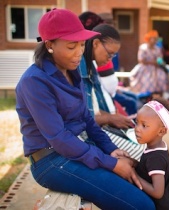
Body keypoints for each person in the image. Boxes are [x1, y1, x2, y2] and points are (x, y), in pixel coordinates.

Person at [15, 9, 155, 210]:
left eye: (81, 44)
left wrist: (111, 150)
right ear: (49, 45)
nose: (79, 52)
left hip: (78, 148)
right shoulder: (35, 82)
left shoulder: (72, 71)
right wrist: (111, 163)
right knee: (141, 205)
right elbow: (59, 138)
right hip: (52, 161)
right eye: (72, 46)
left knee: (143, 177)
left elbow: (87, 120)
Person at [79, 13, 146, 160]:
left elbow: (93, 110)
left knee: (148, 151)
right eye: (109, 54)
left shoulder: (90, 66)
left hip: (97, 130)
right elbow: (83, 119)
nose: (110, 60)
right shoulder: (79, 67)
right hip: (86, 136)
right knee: (143, 156)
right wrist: (110, 118)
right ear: (95, 43)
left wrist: (113, 118)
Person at [134, 98, 169, 210]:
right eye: (136, 122)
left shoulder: (155, 157)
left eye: (144, 125)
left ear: (161, 131)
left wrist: (134, 176)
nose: (137, 129)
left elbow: (157, 192)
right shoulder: (158, 147)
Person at [129, 30, 169, 96]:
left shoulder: (157, 48)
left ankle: (158, 97)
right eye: (153, 38)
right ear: (148, 39)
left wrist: (159, 61)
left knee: (162, 77)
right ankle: (145, 97)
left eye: (156, 39)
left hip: (156, 68)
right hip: (145, 68)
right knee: (147, 80)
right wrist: (153, 62)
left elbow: (160, 59)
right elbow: (141, 60)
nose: (155, 40)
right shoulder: (143, 48)